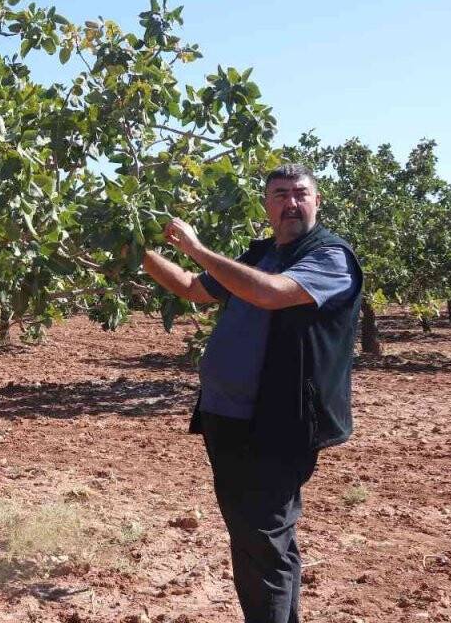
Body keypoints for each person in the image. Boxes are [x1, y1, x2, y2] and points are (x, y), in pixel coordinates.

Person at [141, 163, 363, 623]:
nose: (290, 203)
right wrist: (137, 253)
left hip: (281, 422)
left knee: (263, 537)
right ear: (266, 205)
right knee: (257, 537)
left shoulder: (330, 256)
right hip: (227, 417)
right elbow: (191, 288)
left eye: (300, 193)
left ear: (317, 201)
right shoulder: (260, 253)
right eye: (279, 195)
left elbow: (271, 294)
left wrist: (198, 248)